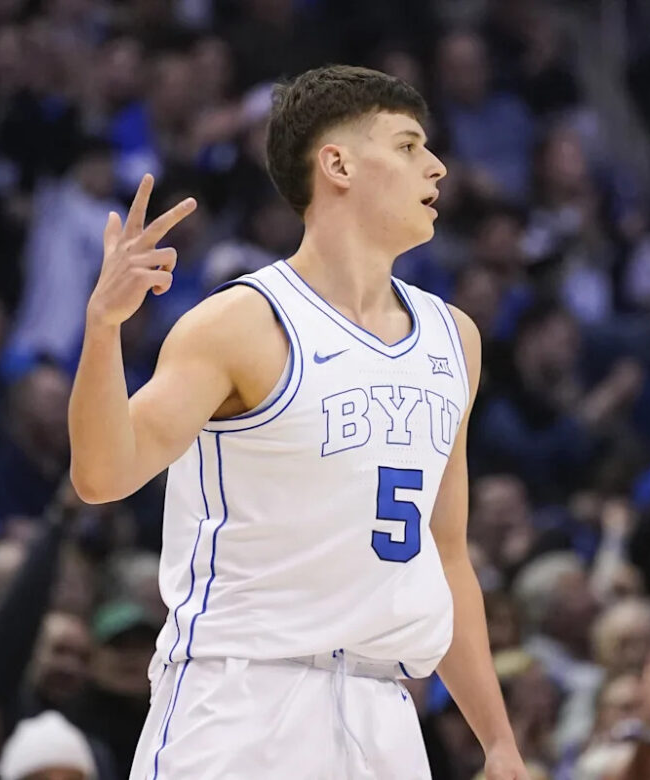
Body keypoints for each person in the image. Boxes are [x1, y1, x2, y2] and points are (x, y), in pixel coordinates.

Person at [69, 65, 529, 779]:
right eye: (408, 146)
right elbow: (102, 475)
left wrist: (497, 740)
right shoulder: (239, 323)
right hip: (243, 701)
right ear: (338, 165)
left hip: (383, 711)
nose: (437, 166)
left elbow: (445, 556)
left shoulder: (455, 339)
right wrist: (103, 330)